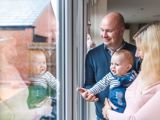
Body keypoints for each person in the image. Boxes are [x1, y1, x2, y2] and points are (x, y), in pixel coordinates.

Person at [80, 12, 140, 120]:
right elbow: (89, 83)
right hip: (102, 116)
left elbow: (144, 87)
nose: (104, 35)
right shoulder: (92, 55)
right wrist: (89, 93)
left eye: (109, 31)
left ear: (121, 31)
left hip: (129, 116)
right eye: (102, 30)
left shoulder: (137, 53)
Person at [102, 21, 160, 120]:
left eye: (140, 49)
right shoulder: (144, 74)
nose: (136, 54)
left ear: (153, 51)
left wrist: (108, 113)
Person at [0, 35, 49, 120]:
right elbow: (13, 111)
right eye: (11, 49)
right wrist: (39, 110)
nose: (15, 53)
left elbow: (23, 99)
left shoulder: (12, 69)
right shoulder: (3, 75)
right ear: (1, 51)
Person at [27, 49, 57, 119]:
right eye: (38, 63)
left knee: (45, 112)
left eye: (44, 63)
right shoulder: (30, 76)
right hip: (33, 103)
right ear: (31, 66)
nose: (42, 65)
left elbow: (56, 85)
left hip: (44, 101)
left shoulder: (47, 75)